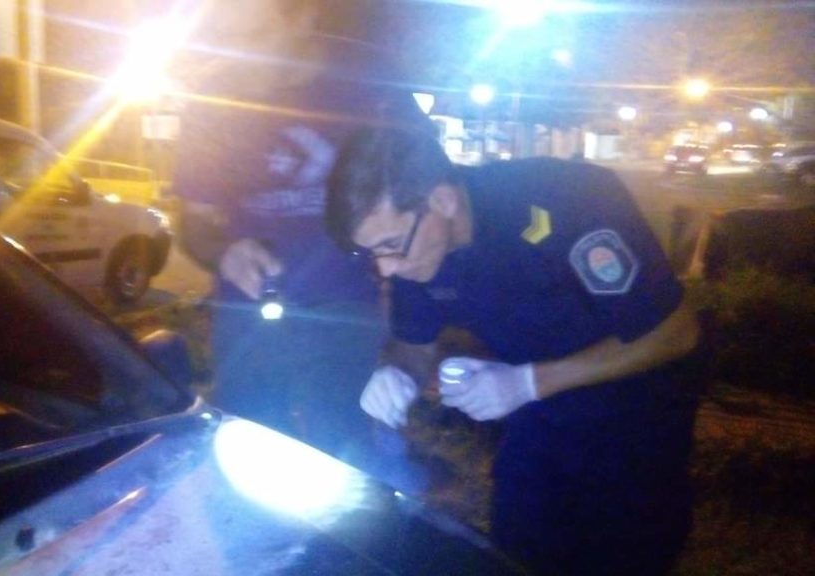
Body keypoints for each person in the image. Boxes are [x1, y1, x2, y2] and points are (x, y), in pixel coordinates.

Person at [325, 126, 703, 575]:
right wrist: (397, 373)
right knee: (513, 553)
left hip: (637, 421)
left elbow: (674, 332)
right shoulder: (415, 255)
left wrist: (529, 382)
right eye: (372, 254)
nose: (387, 269)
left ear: (442, 201)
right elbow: (413, 343)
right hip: (537, 422)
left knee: (620, 557)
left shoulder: (567, 198)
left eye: (390, 247)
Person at [171, 1, 432, 490]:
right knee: (246, 445)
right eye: (226, 37)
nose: (239, 54)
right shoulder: (214, 98)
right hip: (248, 313)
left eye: (254, 36)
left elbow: (428, 180)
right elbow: (194, 223)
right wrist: (225, 252)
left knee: (344, 448)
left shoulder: (368, 78)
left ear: (304, 16)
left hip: (346, 311)